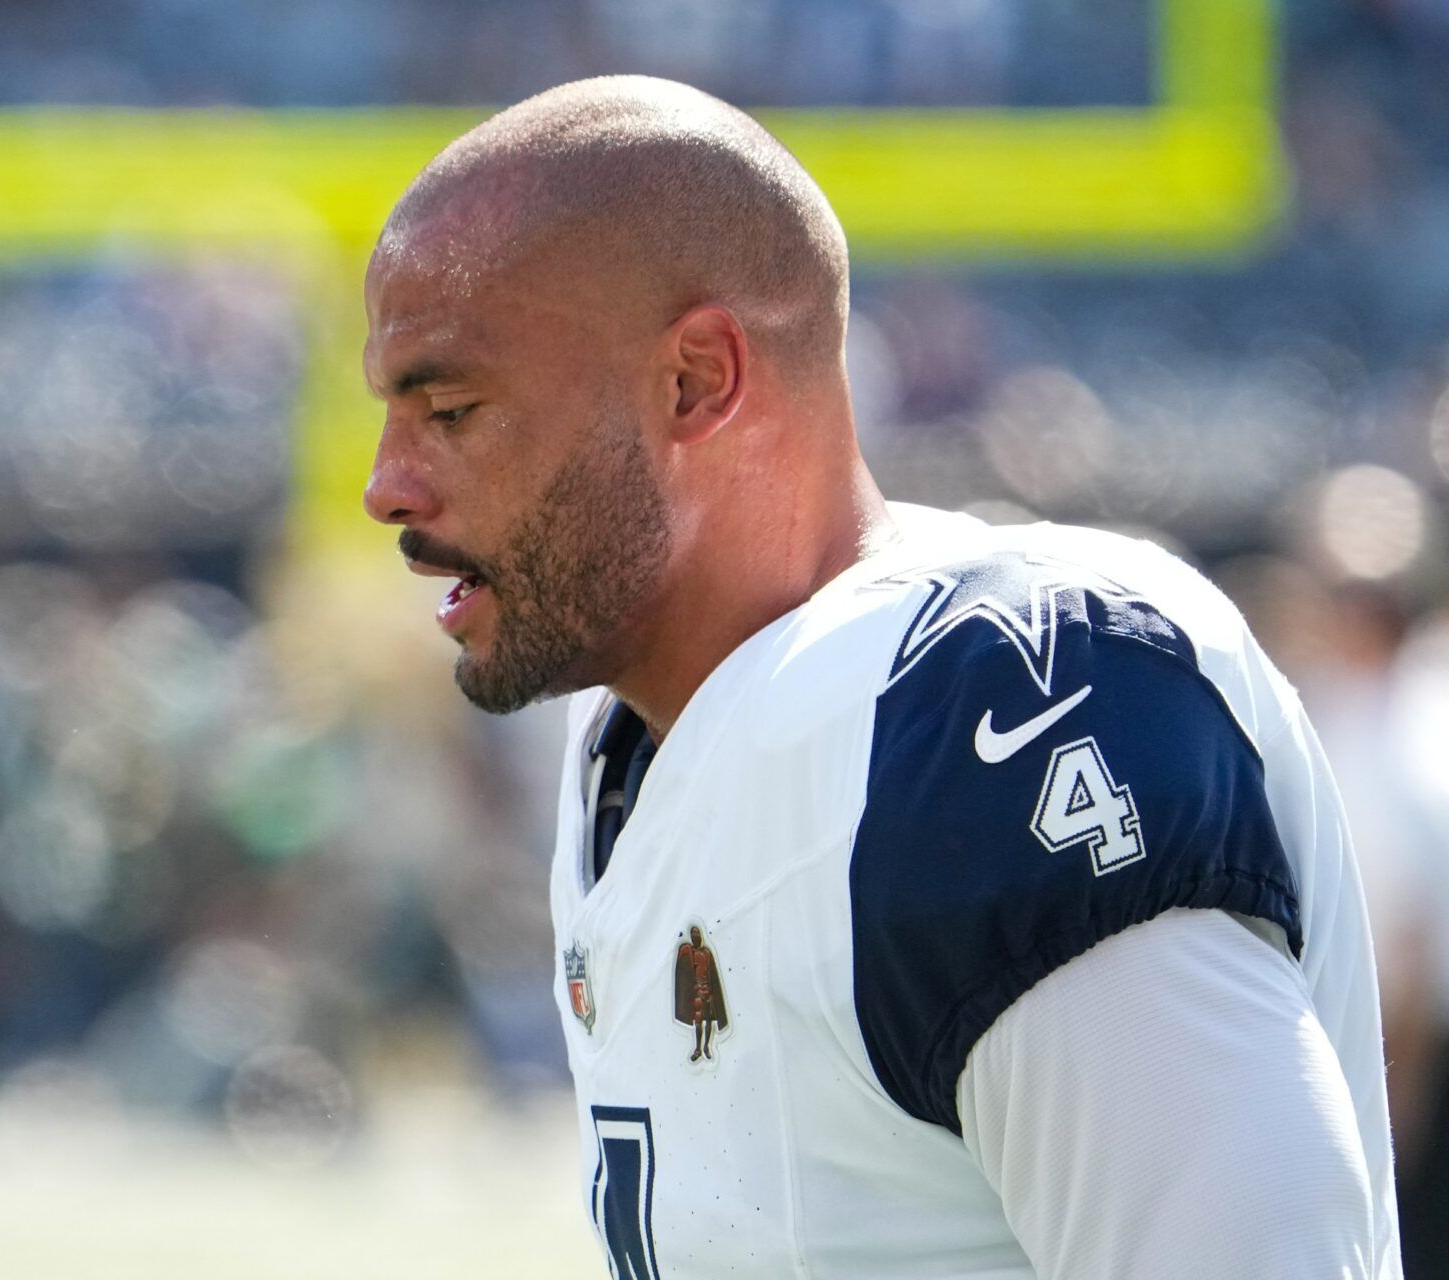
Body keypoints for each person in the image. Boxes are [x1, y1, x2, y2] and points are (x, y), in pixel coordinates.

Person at [360, 75, 1399, 1278]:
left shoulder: (998, 704)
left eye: (451, 406)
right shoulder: (629, 747)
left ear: (697, 380)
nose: (387, 483)